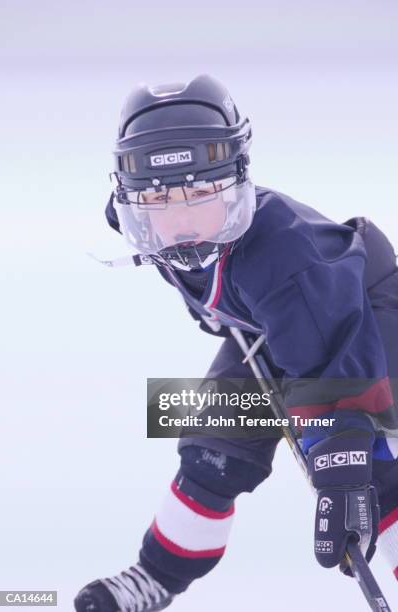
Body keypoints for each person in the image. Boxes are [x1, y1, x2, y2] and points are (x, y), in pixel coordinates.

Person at [74, 75, 398, 611]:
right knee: (211, 447)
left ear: (237, 182)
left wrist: (341, 474)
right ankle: (156, 577)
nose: (181, 221)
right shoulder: (152, 229)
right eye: (158, 199)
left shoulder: (282, 257)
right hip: (269, 328)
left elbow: (336, 368)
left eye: (201, 194)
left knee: (376, 465)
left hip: (361, 319)